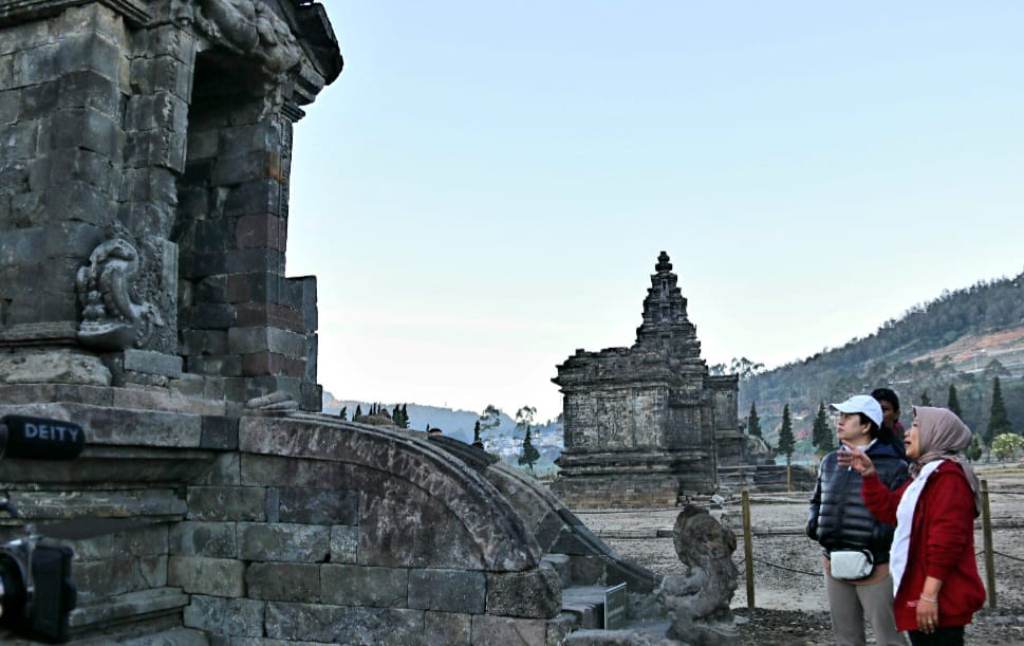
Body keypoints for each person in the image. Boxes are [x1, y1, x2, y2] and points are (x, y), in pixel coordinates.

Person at [839, 406, 985, 646]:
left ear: (936, 433)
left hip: (940, 598)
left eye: (916, 426)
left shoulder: (948, 478)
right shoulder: (922, 475)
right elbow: (890, 510)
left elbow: (946, 543)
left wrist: (928, 596)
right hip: (922, 590)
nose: (907, 432)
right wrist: (869, 475)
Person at [808, 394, 909, 646]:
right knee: (846, 638)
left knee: (889, 638)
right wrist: (817, 529)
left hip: (877, 565)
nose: (839, 422)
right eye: (839, 416)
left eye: (847, 417)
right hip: (834, 562)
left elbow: (899, 514)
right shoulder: (830, 461)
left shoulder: (894, 465)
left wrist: (881, 547)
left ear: (865, 425)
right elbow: (817, 500)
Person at [872, 388, 907, 458]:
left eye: (884, 409)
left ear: (896, 414)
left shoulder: (905, 447)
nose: (877, 414)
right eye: (873, 409)